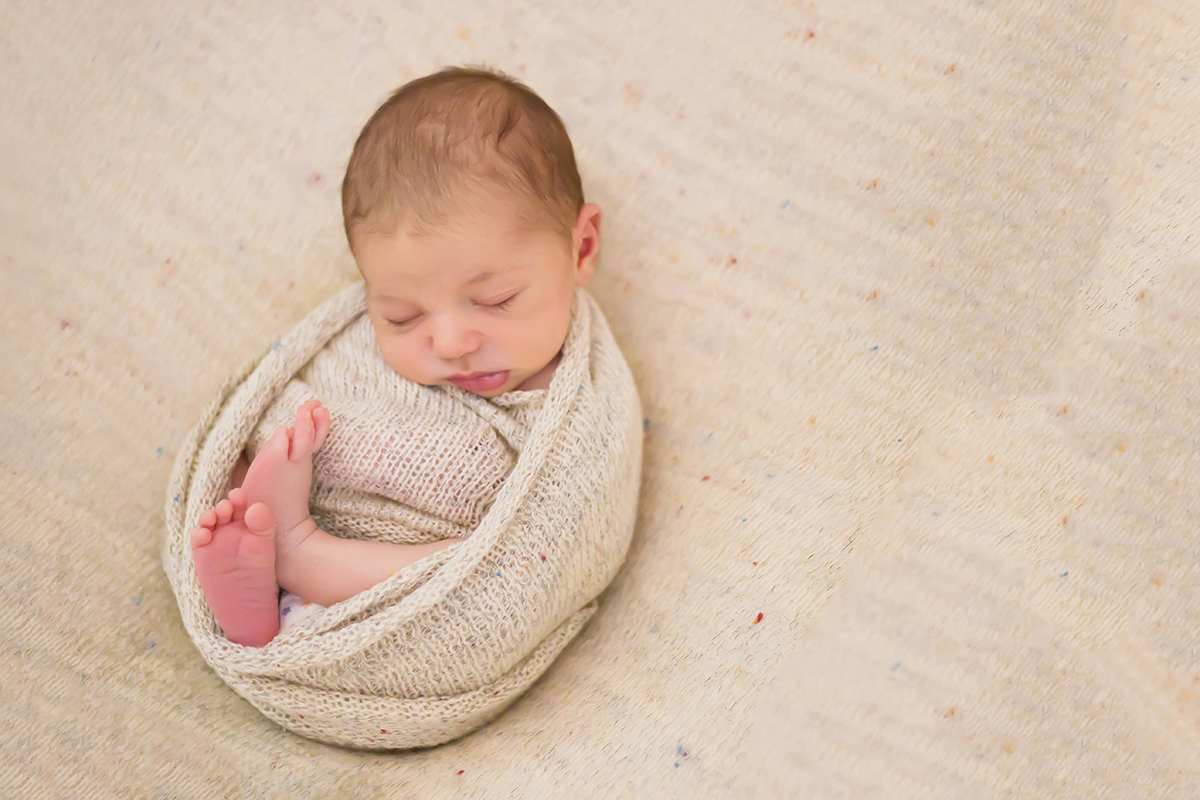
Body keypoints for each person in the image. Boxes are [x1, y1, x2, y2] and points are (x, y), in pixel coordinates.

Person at [190, 66, 602, 647]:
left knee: (485, 568)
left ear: (581, 248)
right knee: (261, 446)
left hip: (409, 592)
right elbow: (280, 400)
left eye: (495, 300)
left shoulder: (586, 397)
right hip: (313, 522)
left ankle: (297, 561)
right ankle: (263, 587)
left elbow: (561, 542)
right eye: (402, 316)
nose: (451, 343)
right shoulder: (356, 348)